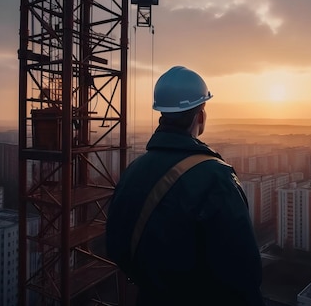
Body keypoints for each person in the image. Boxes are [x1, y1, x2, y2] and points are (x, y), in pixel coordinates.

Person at [106, 66, 264, 306]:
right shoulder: (215, 177)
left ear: (162, 114)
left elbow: (116, 246)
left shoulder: (132, 171)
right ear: (200, 116)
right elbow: (244, 273)